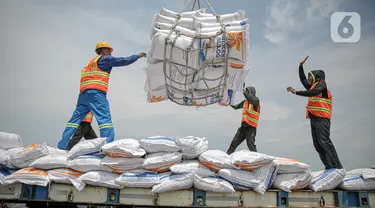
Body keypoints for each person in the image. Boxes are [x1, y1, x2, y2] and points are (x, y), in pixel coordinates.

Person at [57, 41, 147, 150]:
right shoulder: (104, 59)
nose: (110, 53)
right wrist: (137, 56)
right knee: (105, 120)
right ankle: (107, 147)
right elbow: (122, 60)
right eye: (109, 50)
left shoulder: (89, 64)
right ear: (104, 50)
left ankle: (62, 146)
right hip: (96, 94)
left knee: (74, 121)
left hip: (83, 95)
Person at [287, 55, 343, 169]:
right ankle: (329, 167)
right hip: (314, 118)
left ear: (315, 77)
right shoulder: (312, 86)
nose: (308, 79)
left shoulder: (321, 84)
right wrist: (300, 66)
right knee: (318, 145)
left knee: (325, 142)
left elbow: (313, 92)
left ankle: (338, 167)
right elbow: (303, 80)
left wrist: (296, 92)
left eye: (309, 77)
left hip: (322, 118)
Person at [226, 86, 260, 154]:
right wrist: (228, 102)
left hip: (251, 128)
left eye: (248, 92)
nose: (247, 93)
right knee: (234, 143)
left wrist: (243, 90)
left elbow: (251, 99)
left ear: (251, 93)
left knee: (251, 145)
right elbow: (235, 107)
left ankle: (256, 160)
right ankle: (226, 157)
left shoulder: (256, 101)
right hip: (243, 128)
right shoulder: (245, 102)